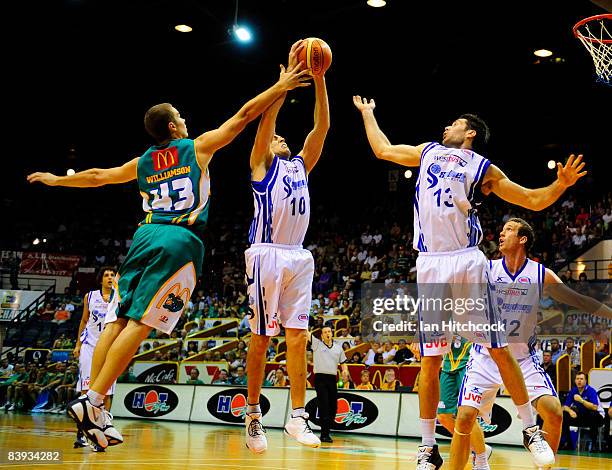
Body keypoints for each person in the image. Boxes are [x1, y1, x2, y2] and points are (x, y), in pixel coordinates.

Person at [28, 55, 311, 451]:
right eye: (180, 115)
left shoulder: (144, 161)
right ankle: (92, 402)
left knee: (118, 318)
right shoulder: (195, 149)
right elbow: (245, 115)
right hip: (178, 240)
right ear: (174, 126)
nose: (184, 118)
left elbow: (98, 177)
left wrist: (58, 180)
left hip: (143, 237)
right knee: (141, 324)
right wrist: (280, 87)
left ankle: (96, 402)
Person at [353, 97, 586, 470]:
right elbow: (382, 149)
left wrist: (558, 186)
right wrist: (368, 114)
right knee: (430, 360)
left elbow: (530, 199)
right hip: (430, 263)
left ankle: (530, 430)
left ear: (470, 132)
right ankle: (428, 446)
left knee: (497, 346)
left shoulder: (481, 167)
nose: (446, 128)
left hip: (466, 260)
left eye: (453, 124)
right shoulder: (426, 150)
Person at [453, 218, 611, 469]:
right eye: (502, 230)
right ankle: (479, 459)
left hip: (523, 360)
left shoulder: (539, 274)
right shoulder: (486, 270)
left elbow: (579, 300)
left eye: (508, 230)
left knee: (554, 412)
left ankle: (543, 466)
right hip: (486, 357)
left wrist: (610, 313)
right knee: (464, 418)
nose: (501, 234)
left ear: (523, 239)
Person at [244, 40, 330, 454]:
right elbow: (264, 123)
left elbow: (322, 128)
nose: (280, 138)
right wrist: (281, 87)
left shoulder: (300, 165)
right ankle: (254, 415)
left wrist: (320, 81)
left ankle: (297, 416)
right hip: (266, 252)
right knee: (261, 338)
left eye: (282, 137)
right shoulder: (262, 165)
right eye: (275, 137)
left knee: (298, 337)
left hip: (298, 254)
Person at [72, 266, 117, 450]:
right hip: (90, 347)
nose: (109, 277)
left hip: (110, 349)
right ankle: (81, 433)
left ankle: (101, 432)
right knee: (86, 390)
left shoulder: (120, 298)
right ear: (100, 280)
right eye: (106, 275)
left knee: (106, 392)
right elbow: (84, 320)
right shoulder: (90, 297)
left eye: (112, 275)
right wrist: (78, 344)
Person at [436, 336, 492, 470]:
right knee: (443, 416)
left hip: (469, 363)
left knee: (467, 414)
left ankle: (481, 461)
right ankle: (480, 448)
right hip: (448, 364)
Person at [308, 326, 349, 443]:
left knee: (333, 407)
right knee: (324, 405)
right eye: (325, 332)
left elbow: (343, 363)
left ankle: (327, 431)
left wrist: (345, 370)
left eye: (329, 332)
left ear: (332, 334)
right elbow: (306, 333)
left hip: (332, 379)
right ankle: (324, 434)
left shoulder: (338, 348)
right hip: (320, 378)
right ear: (321, 335)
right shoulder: (316, 344)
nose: (327, 334)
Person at [560, 371, 605, 451]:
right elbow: (565, 406)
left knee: (593, 415)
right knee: (564, 415)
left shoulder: (591, 391)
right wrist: (570, 411)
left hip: (598, 416)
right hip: (582, 415)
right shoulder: (574, 391)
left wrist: (582, 401)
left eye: (581, 379)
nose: (579, 381)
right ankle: (568, 443)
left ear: (586, 381)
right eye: (577, 379)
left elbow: (595, 407)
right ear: (575, 381)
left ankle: (594, 445)